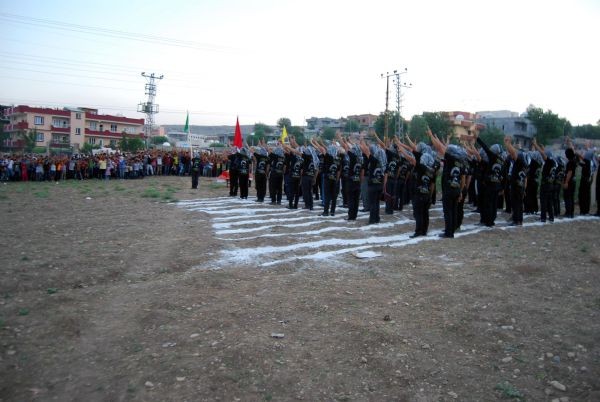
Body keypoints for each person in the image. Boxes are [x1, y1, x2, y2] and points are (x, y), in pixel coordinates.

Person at [429, 129, 467, 238]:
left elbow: (440, 147)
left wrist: (431, 136)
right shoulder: (462, 162)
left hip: (448, 189)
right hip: (456, 189)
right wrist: (460, 191)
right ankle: (452, 229)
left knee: (448, 211)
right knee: (454, 210)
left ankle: (448, 233)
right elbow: (463, 178)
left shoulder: (450, 158)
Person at [360, 140, 386, 225]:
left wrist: (361, 140)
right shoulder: (383, 163)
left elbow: (366, 150)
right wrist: (384, 186)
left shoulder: (373, 160)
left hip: (372, 185)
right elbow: (386, 175)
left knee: (372, 203)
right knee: (377, 203)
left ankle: (372, 220)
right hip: (379, 185)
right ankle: (377, 218)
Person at [504, 136, 528, 226]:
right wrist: (524, 189)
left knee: (516, 204)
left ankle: (516, 221)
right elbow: (526, 179)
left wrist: (508, 143)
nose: (513, 157)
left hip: (516, 186)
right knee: (519, 204)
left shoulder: (519, 162)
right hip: (521, 186)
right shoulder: (525, 165)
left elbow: (513, 153)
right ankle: (519, 220)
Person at [532, 138, 556, 223]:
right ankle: (551, 217)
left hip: (545, 185)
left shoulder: (549, 162)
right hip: (550, 184)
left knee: (544, 202)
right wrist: (541, 148)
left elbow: (543, 154)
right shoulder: (553, 162)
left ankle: (543, 218)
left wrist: (535, 145)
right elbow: (544, 154)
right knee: (549, 202)